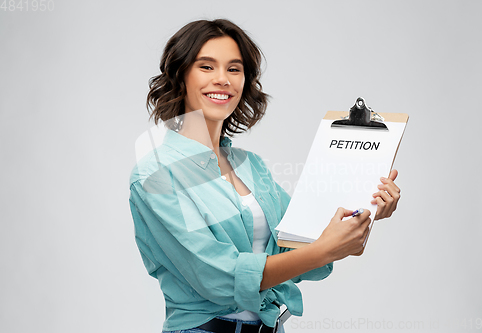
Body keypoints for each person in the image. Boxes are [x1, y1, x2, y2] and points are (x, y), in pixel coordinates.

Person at [129, 19, 401, 333]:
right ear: (181, 76)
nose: (222, 80)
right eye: (206, 67)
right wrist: (325, 249)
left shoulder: (250, 165)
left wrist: (365, 208)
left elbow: (296, 244)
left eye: (234, 69)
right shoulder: (156, 174)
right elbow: (218, 279)